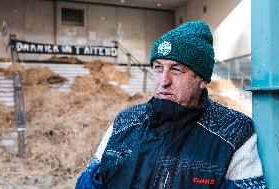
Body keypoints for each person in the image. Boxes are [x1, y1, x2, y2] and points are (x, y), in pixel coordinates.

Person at [76, 21, 266, 189]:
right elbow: (86, 181)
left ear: (202, 79)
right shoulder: (125, 121)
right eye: (158, 68)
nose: (163, 81)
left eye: (176, 70)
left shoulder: (234, 131)